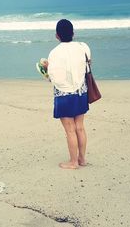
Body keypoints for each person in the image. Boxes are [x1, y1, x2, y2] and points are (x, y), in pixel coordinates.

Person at [46, 19, 91, 169]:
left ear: (57, 35)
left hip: (64, 94)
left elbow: (52, 78)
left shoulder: (54, 53)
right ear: (73, 33)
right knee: (80, 127)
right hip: (81, 91)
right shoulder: (83, 47)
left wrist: (46, 68)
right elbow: (88, 65)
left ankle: (73, 162)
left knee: (70, 130)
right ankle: (82, 159)